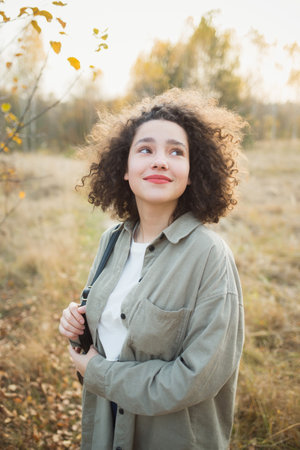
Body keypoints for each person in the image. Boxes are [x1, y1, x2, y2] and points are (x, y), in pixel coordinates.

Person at [59, 88, 245, 450]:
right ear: (124, 170)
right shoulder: (112, 240)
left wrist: (97, 372)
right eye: (145, 150)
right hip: (105, 431)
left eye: (176, 151)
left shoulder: (210, 256)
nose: (160, 161)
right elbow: (107, 332)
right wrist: (76, 325)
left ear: (192, 173)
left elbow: (194, 379)